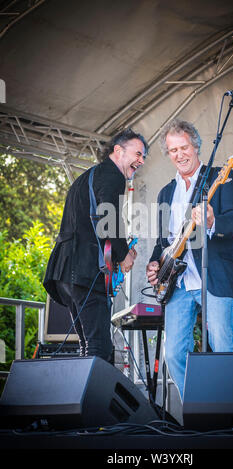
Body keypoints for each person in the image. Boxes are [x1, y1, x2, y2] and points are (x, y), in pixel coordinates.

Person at [146, 118, 233, 400]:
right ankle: (198, 407)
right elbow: (162, 243)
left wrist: (213, 221)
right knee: (174, 352)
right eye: (173, 150)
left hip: (214, 277)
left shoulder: (222, 177)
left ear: (197, 146)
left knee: (221, 344)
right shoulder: (166, 192)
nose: (179, 154)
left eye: (184, 147)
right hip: (178, 284)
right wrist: (155, 264)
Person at [44, 129, 148, 360]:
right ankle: (95, 397)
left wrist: (118, 250)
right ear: (118, 150)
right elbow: (107, 218)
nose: (141, 160)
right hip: (82, 271)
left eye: (144, 157)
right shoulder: (112, 175)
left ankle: (85, 395)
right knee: (100, 348)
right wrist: (123, 255)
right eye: (138, 154)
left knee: (88, 346)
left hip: (65, 271)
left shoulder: (89, 176)